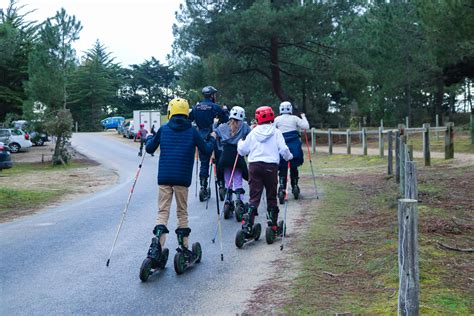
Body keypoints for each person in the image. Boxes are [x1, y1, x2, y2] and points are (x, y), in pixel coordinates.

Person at [144, 97, 216, 272]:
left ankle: (156, 248)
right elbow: (206, 150)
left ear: (170, 112)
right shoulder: (192, 132)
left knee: (162, 212)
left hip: (164, 178)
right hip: (182, 179)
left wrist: (149, 137)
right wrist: (213, 138)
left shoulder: (164, 129)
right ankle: (183, 248)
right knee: (181, 213)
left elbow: (149, 148)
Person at [237, 106, 293, 241]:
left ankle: (248, 226)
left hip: (254, 166)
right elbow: (283, 149)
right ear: (272, 117)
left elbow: (243, 150)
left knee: (254, 197)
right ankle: (273, 225)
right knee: (271, 196)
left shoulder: (253, 132)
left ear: (257, 118)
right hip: (271, 167)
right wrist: (289, 157)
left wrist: (240, 143)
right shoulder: (276, 132)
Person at [189, 86, 228, 201]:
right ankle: (221, 186)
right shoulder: (215, 107)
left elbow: (189, 119)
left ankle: (203, 187)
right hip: (214, 136)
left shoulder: (196, 107)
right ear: (211, 95)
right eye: (214, 95)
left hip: (201, 137)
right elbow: (225, 119)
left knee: (204, 163)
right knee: (219, 162)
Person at [215, 106, 251, 220]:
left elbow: (215, 133)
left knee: (227, 179)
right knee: (237, 178)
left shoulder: (223, 126)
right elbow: (250, 136)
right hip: (237, 155)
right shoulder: (244, 126)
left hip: (225, 155)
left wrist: (214, 124)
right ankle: (239, 200)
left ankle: (228, 200)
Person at [274, 101, 309, 202]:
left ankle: (281, 187)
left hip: (282, 146)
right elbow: (306, 126)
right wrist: (303, 117)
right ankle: (295, 185)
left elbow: (272, 130)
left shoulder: (277, 119)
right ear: (290, 109)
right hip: (294, 145)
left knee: (282, 167)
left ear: (280, 109)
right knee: (294, 166)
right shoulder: (295, 118)